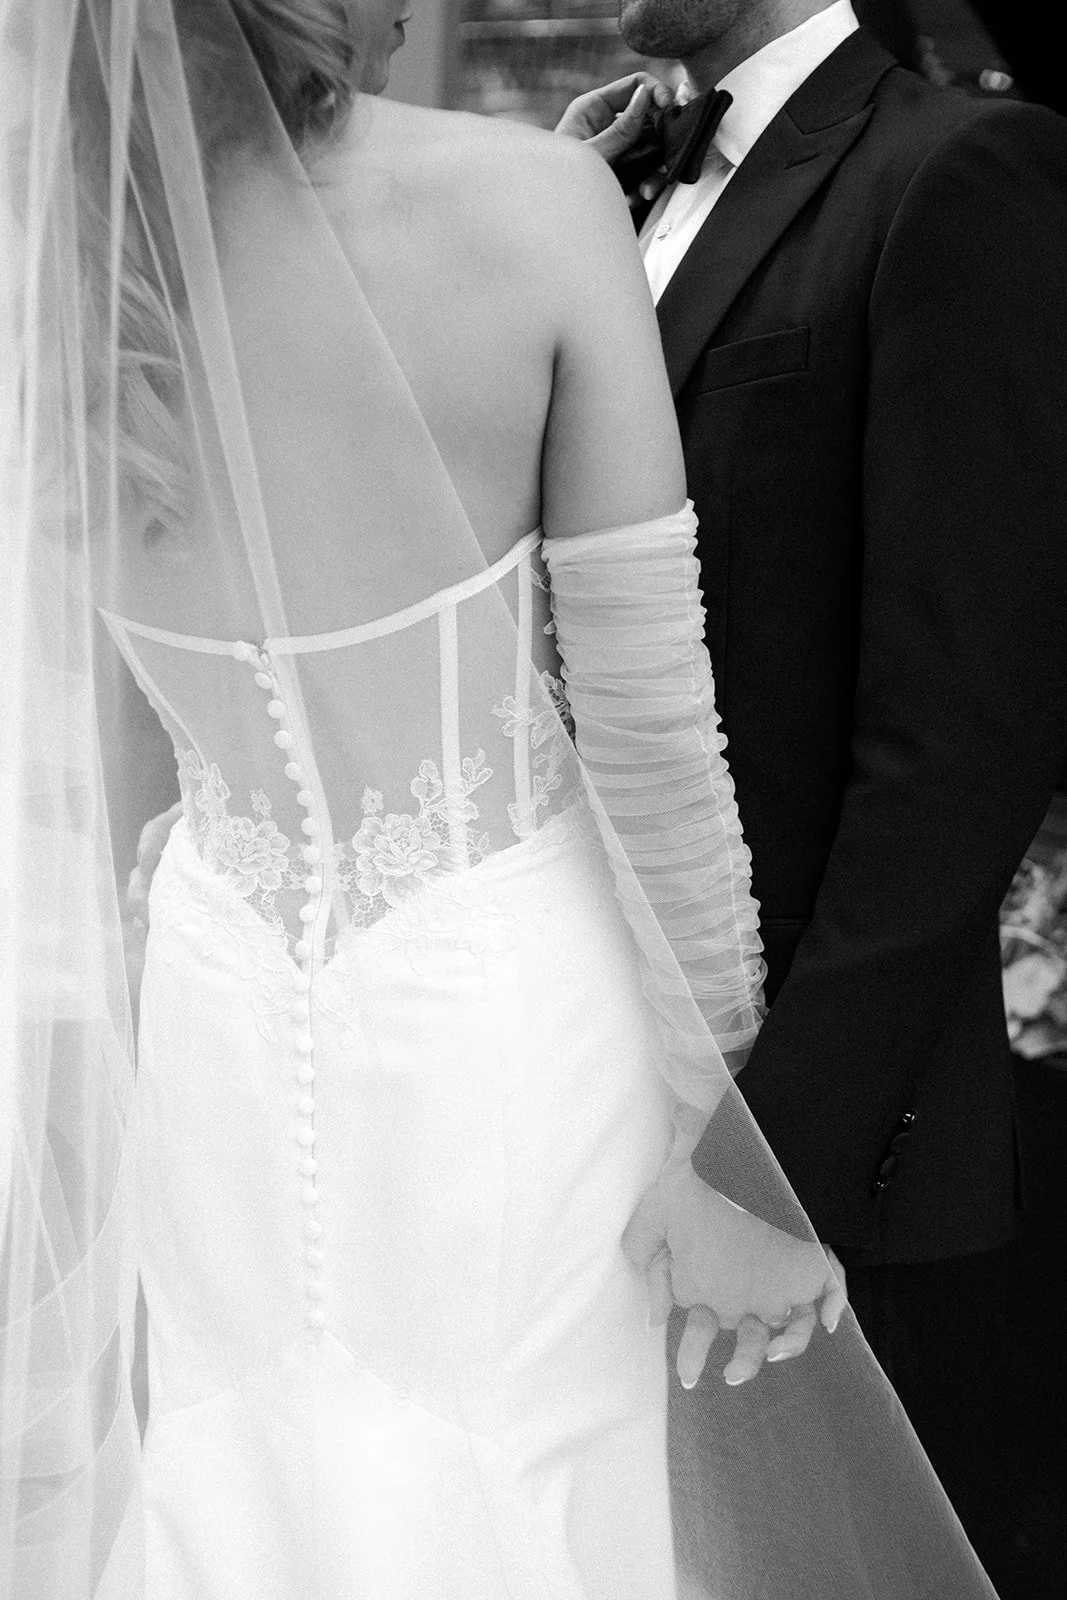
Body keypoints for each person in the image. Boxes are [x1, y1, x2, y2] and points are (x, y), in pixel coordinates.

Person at [0, 4, 1007, 1599]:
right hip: (503, 1021)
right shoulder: (528, 216)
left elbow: (118, 748)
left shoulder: (54, 273)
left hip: (217, 1013)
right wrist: (738, 1143)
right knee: (534, 1478)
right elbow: (649, 731)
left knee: (245, 1466)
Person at [555, 0, 1067, 1579]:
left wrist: (769, 1169)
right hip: (562, 1077)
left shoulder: (958, 172)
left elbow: (966, 733)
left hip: (811, 1132)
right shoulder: (592, 189)